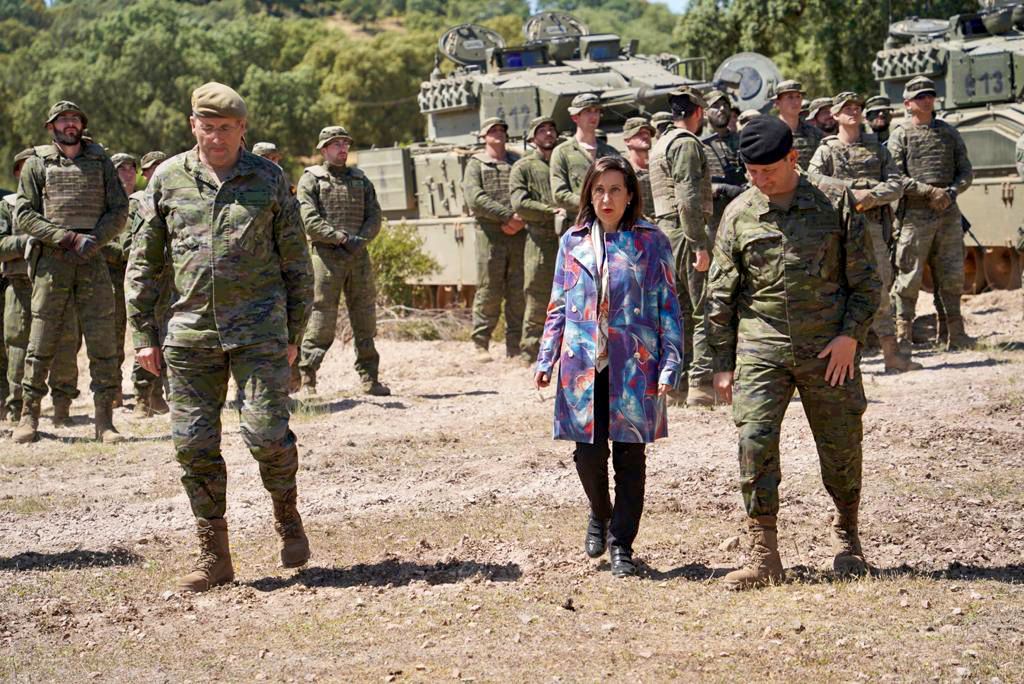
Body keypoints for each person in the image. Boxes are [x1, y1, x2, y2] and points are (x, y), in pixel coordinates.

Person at [126, 82, 313, 592]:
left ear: (242, 129)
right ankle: (214, 555)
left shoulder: (268, 178)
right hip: (188, 335)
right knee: (193, 446)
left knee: (266, 435)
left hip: (259, 332)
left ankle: (287, 516)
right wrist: (143, 332)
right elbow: (144, 261)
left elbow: (296, 261)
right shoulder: (166, 179)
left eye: (225, 129)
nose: (215, 138)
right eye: (207, 128)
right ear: (193, 126)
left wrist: (295, 332)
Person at [707, 116, 880, 589]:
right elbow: (720, 295)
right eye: (751, 173)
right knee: (754, 442)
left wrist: (851, 335)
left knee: (841, 446)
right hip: (762, 347)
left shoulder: (834, 201)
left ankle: (847, 538)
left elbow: (866, 282)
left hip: (831, 350)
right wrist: (721, 363)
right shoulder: (739, 213)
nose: (759, 181)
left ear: (792, 159)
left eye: (768, 171)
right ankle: (765, 555)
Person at [534, 155, 683, 577]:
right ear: (589, 194)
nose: (606, 198)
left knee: (631, 458)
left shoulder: (651, 241)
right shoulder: (573, 241)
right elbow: (559, 305)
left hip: (635, 364)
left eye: (616, 189)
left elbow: (669, 306)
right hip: (582, 364)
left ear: (631, 194)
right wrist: (546, 356)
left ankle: (622, 544)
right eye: (599, 190)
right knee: (588, 455)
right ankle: (599, 513)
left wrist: (671, 361)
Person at [13, 101, 128, 444]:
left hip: (92, 259)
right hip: (53, 259)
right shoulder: (37, 163)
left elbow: (118, 209)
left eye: (75, 119)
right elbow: (24, 213)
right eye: (63, 120)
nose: (69, 124)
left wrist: (95, 239)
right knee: (41, 339)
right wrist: (65, 237)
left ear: (81, 124)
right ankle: (28, 416)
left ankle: (104, 421)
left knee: (102, 340)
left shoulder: (101, 162)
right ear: (52, 127)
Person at [809, 92, 916, 373]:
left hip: (872, 228)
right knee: (837, 289)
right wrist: (848, 192)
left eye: (857, 107)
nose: (853, 112)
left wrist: (870, 196)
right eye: (847, 108)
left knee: (879, 287)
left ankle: (891, 353)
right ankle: (844, 358)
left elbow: (896, 183)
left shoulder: (877, 148)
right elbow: (812, 181)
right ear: (834, 114)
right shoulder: (826, 151)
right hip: (839, 230)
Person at [296, 125, 390, 396]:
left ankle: (370, 379)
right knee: (321, 319)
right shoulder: (311, 179)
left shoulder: (361, 179)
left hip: (358, 257)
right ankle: (307, 379)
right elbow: (309, 221)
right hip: (326, 258)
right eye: (336, 144)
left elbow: (374, 215)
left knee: (365, 319)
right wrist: (338, 237)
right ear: (324, 149)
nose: (343, 149)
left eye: (345, 144)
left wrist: (360, 240)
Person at [888, 76, 974, 356]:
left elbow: (966, 172)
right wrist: (928, 192)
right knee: (909, 277)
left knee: (951, 275)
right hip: (914, 216)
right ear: (908, 104)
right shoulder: (900, 135)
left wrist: (949, 192)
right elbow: (894, 178)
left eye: (930, 95)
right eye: (920, 96)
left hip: (948, 215)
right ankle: (903, 338)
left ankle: (955, 334)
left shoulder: (949, 133)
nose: (927, 100)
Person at [1, 149, 80, 425]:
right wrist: (26, 241)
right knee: (19, 349)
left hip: (56, 284)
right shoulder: (7, 205)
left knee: (65, 345)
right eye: (24, 168)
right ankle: (18, 409)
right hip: (20, 286)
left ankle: (62, 406)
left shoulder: (57, 203)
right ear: (16, 173)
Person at [649, 86, 714, 406]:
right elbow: (688, 199)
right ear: (698, 113)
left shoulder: (660, 144)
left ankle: (676, 385)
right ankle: (701, 384)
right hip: (685, 232)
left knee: (677, 312)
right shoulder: (686, 144)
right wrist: (699, 243)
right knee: (703, 307)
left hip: (665, 233)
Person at [461, 117, 525, 361]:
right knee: (490, 289)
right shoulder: (476, 164)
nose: (498, 134)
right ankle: (480, 342)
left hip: (518, 233)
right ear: (484, 136)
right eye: (493, 131)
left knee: (517, 291)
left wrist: (520, 220)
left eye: (502, 130)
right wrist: (507, 216)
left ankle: (515, 346)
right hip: (491, 234)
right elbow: (475, 198)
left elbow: (524, 190)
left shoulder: (516, 162)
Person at [511, 116, 564, 363]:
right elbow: (520, 203)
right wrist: (550, 210)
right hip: (540, 240)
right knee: (537, 294)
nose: (548, 134)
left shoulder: (562, 161)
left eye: (551, 129)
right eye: (542, 130)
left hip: (568, 238)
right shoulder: (523, 167)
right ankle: (530, 351)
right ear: (533, 138)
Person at [550, 93, 621, 226]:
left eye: (597, 111)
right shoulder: (562, 152)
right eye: (588, 111)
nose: (594, 116)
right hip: (578, 225)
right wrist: (591, 203)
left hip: (609, 226)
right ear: (575, 117)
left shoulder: (611, 153)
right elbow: (559, 194)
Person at [103, 152, 138, 407]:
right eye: (121, 169)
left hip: (141, 280)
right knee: (112, 338)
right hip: (111, 280)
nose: (127, 173)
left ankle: (145, 394)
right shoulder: (103, 205)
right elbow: (100, 244)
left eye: (131, 168)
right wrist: (126, 253)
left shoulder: (143, 203)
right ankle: (112, 391)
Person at [702, 90, 746, 239]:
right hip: (711, 222)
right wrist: (717, 188)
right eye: (716, 105)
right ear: (704, 112)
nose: (722, 109)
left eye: (725, 105)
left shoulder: (741, 141)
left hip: (742, 216)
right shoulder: (697, 144)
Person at [774, 80, 823, 170]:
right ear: (777, 103)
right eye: (790, 97)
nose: (796, 101)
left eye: (798, 97)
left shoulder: (815, 134)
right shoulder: (769, 133)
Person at [622, 116, 656, 216]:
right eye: (639, 134)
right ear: (627, 140)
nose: (645, 136)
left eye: (647, 133)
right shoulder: (624, 172)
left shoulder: (659, 167)